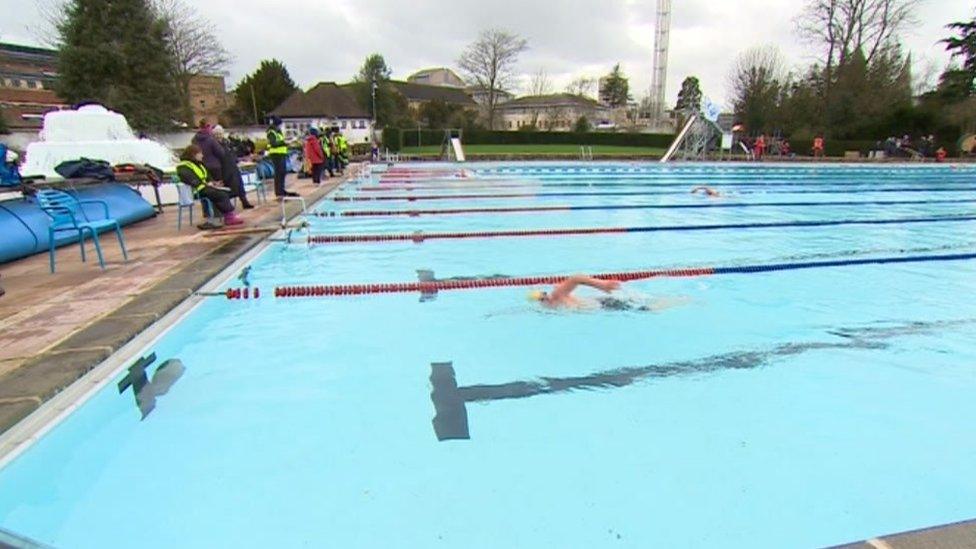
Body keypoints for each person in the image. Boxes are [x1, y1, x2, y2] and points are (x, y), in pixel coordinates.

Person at [176, 145, 244, 227]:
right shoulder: (183, 166)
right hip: (196, 190)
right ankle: (228, 217)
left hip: (205, 187)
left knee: (229, 191)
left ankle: (224, 216)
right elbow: (188, 178)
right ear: (193, 154)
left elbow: (207, 176)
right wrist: (205, 184)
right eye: (200, 153)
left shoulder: (199, 164)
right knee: (219, 194)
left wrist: (214, 182)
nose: (202, 155)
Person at [213, 125, 254, 209]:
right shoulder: (214, 145)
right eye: (216, 134)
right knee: (230, 187)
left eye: (220, 133)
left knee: (240, 185)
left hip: (233, 166)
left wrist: (238, 160)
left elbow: (232, 153)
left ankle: (245, 202)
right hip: (224, 168)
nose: (218, 135)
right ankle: (228, 206)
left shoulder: (227, 142)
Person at [266, 117, 297, 198]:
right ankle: (279, 192)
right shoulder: (271, 132)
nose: (281, 126)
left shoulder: (278, 132)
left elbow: (280, 142)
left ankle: (281, 190)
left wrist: (287, 142)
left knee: (283, 172)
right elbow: (273, 143)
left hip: (281, 154)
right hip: (276, 155)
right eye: (280, 124)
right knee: (279, 173)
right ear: (276, 124)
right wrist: (285, 142)